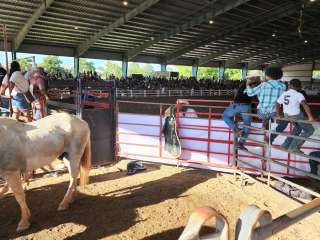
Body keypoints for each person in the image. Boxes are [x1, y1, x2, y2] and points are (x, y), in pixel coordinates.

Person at [223, 70, 261, 150]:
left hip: (236, 105)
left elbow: (238, 93)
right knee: (247, 124)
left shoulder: (244, 83)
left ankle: (235, 129)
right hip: (246, 106)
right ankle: (241, 143)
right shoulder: (257, 84)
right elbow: (255, 95)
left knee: (225, 116)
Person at [276, 78, 314, 153]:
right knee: (309, 130)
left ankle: (285, 145)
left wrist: (279, 114)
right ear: (299, 87)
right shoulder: (298, 94)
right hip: (296, 115)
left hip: (287, 115)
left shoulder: (284, 93)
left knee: (297, 128)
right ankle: (294, 147)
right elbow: (305, 105)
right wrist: (310, 117)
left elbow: (277, 103)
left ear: (290, 86)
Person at [245, 67, 286, 131]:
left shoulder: (264, 84)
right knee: (278, 114)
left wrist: (247, 84)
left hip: (262, 113)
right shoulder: (283, 86)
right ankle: (271, 130)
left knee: (264, 111)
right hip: (275, 112)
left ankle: (265, 124)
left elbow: (250, 93)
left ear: (268, 76)